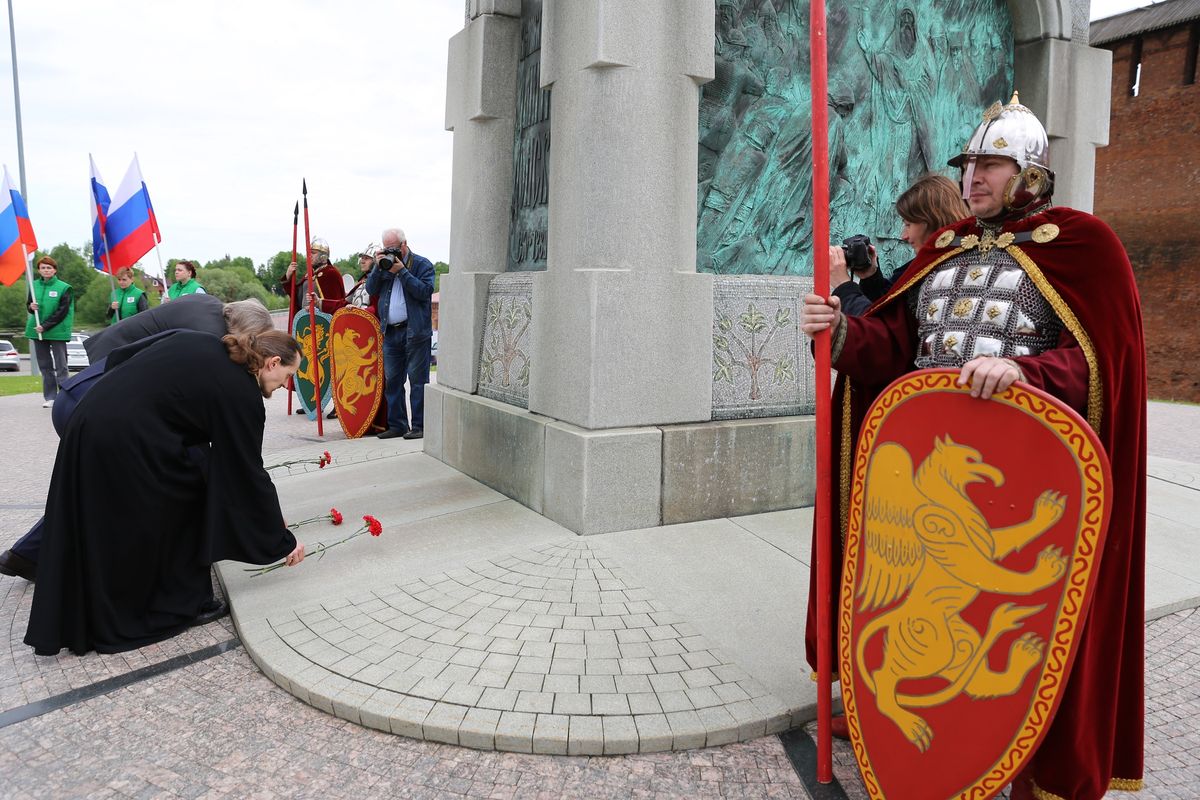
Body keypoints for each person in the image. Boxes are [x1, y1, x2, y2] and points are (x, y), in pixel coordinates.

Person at [801, 94, 1146, 800]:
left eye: (990, 164)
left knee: (1031, 636)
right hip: (936, 482)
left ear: (1031, 173)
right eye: (968, 165)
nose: (972, 178)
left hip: (1018, 481)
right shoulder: (945, 252)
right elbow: (899, 350)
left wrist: (1026, 369)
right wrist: (839, 331)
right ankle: (927, 754)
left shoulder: (1083, 244)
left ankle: (1034, 769)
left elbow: (1102, 366)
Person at [24, 329, 307, 656]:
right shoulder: (241, 391)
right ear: (272, 363)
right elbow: (246, 471)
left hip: (90, 418)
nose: (287, 385)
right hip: (121, 437)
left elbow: (122, 356)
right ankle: (171, 604)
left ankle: (173, 598)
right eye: (289, 375)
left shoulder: (207, 343)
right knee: (181, 505)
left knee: (182, 488)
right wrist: (281, 538)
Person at [0, 296, 275, 584]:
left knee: (102, 484)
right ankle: (165, 568)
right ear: (246, 331)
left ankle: (28, 553)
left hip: (90, 388)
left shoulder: (207, 305)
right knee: (174, 478)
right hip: (99, 400)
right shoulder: (210, 339)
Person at [829, 174, 969, 317]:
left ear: (933, 220)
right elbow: (892, 305)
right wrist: (870, 277)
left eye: (908, 224)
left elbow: (884, 328)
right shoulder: (932, 264)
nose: (904, 235)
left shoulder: (946, 272)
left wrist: (843, 286)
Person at [365, 227, 435, 440]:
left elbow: (425, 291)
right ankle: (397, 425)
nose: (390, 253)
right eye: (386, 249)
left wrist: (402, 271)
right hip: (391, 332)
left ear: (404, 245)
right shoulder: (384, 265)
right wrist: (377, 268)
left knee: (417, 381)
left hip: (415, 332)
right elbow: (371, 290)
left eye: (393, 249)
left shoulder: (422, 264)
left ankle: (420, 426)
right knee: (392, 381)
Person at [25, 256, 74, 409]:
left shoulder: (64, 288)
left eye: (49, 268)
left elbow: (62, 311)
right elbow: (29, 305)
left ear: (55, 270)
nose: (46, 270)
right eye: (43, 268)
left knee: (61, 365)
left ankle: (65, 397)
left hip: (56, 331)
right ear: (39, 270)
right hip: (37, 331)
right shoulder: (34, 286)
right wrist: (30, 308)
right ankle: (51, 397)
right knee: (45, 366)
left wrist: (45, 326)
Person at [281, 237, 347, 316]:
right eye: (309, 253)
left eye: (313, 253)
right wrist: (288, 276)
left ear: (323, 256)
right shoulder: (309, 274)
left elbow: (336, 305)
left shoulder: (331, 273)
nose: (309, 255)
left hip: (322, 323)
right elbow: (296, 298)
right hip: (305, 320)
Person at [346, 244, 381, 315]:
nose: (362, 261)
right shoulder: (362, 281)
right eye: (362, 258)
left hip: (373, 323)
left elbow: (378, 307)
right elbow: (344, 303)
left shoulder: (380, 281)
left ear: (375, 261)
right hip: (356, 321)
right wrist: (320, 302)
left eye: (367, 258)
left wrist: (360, 311)